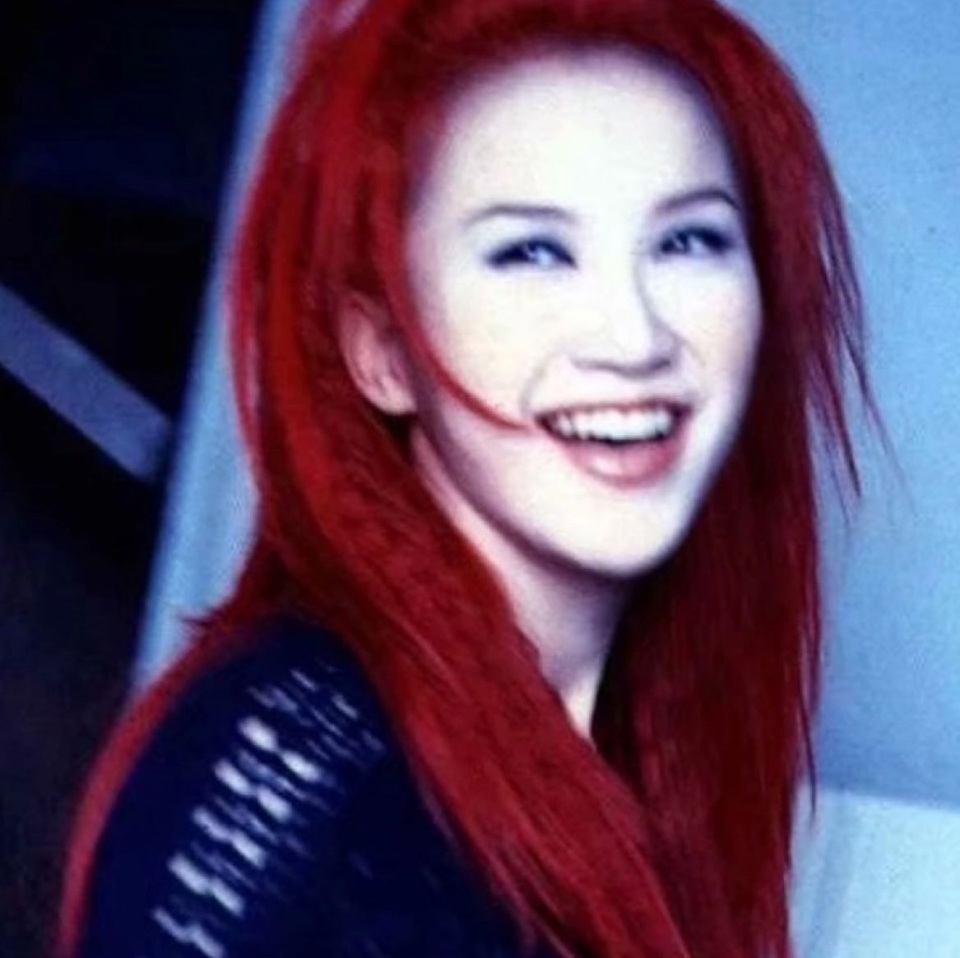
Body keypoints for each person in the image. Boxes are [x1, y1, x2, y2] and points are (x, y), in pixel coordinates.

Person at [56, 0, 877, 955]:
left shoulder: (631, 746)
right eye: (532, 252)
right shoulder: (298, 765)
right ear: (383, 354)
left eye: (687, 241)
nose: (636, 336)